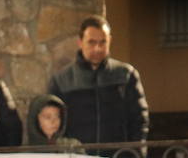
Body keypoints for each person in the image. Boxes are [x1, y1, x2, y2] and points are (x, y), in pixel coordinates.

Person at [47, 16, 149, 147]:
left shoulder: (127, 75)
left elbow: (139, 120)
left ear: (110, 41)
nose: (98, 48)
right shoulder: (61, 80)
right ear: (80, 42)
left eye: (103, 42)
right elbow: (53, 125)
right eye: (91, 42)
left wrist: (136, 155)